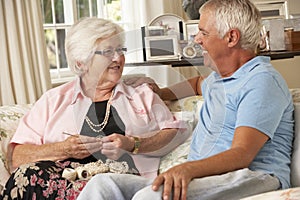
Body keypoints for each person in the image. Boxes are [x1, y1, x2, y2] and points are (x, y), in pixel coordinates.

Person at [77, 0, 294, 199]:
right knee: (102, 185)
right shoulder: (220, 78)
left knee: (151, 197)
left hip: (254, 176)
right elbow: (198, 83)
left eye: (203, 33)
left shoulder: (261, 81)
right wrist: (162, 93)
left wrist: (187, 168)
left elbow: (242, 154)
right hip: (203, 176)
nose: (196, 39)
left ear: (231, 38)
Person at [0, 17, 189, 199]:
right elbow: (18, 156)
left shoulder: (141, 95)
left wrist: (134, 144)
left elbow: (175, 133)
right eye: (108, 52)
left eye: (120, 50)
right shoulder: (53, 100)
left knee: (97, 186)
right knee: (28, 174)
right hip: (60, 179)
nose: (118, 58)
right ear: (81, 63)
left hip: (117, 182)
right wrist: (65, 149)